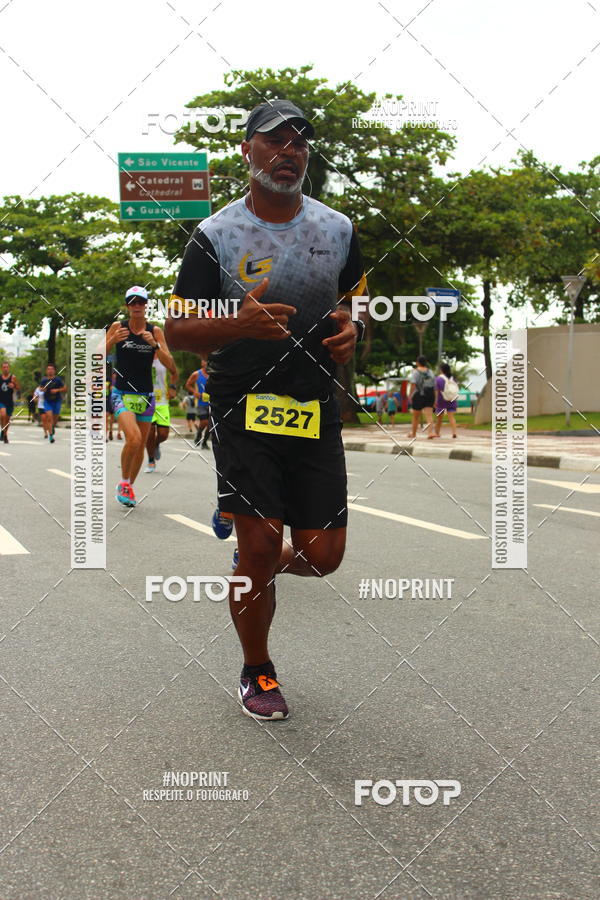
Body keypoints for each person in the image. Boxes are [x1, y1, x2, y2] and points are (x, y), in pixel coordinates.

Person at [166, 99, 368, 721]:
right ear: (247, 150)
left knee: (323, 556)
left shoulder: (337, 229)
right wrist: (237, 322)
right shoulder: (216, 236)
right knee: (259, 545)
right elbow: (176, 330)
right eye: (275, 141)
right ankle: (258, 670)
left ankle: (257, 561)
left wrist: (352, 330)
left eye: (300, 143)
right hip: (241, 404)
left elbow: (356, 300)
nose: (289, 152)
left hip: (312, 404)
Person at [106, 285, 173, 507]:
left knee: (141, 444)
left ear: (146, 305)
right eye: (132, 302)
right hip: (121, 393)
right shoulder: (118, 327)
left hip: (146, 395)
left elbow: (170, 365)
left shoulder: (155, 331)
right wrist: (112, 341)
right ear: (127, 306)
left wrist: (155, 346)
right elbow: (96, 355)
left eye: (141, 302)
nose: (137, 306)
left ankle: (129, 486)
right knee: (133, 439)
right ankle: (124, 482)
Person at [145, 354, 178, 472]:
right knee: (149, 432)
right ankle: (150, 460)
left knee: (163, 435)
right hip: (146, 400)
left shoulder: (166, 357)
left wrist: (173, 387)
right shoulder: (142, 355)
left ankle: (156, 444)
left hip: (162, 401)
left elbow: (174, 373)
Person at [407, 356, 435, 439]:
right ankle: (430, 433)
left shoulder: (415, 372)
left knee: (415, 416)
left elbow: (413, 384)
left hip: (418, 394)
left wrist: (410, 395)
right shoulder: (430, 372)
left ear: (417, 362)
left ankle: (414, 434)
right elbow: (434, 385)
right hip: (429, 394)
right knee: (429, 415)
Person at [185, 360, 210, 447]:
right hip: (200, 403)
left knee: (210, 425)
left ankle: (205, 442)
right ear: (202, 363)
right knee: (204, 422)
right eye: (204, 361)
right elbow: (187, 384)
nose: (206, 363)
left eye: (208, 361)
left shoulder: (213, 374)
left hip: (211, 403)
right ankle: (198, 434)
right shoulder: (196, 374)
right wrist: (195, 392)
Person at [40, 364, 67, 443]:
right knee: (49, 417)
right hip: (47, 401)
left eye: (52, 369)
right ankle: (51, 436)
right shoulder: (44, 380)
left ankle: (52, 426)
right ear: (46, 371)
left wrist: (57, 390)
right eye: (48, 369)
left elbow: (65, 388)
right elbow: (40, 388)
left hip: (57, 401)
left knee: (55, 419)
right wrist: (43, 389)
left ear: (54, 371)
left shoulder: (58, 380)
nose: (50, 370)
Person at [433, 362, 459, 439]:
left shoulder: (438, 379)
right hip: (452, 399)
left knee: (439, 418)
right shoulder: (452, 378)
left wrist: (435, 400)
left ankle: (437, 433)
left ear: (441, 370)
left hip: (441, 400)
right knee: (451, 417)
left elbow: (436, 391)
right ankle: (454, 432)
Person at [0, 361, 20, 443]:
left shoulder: (13, 377)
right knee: (2, 415)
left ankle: (5, 434)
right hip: (1, 400)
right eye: (4, 367)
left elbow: (18, 387)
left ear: (9, 368)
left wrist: (14, 385)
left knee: (7, 419)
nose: (5, 369)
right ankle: (3, 430)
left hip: (9, 401)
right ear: (1, 368)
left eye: (7, 367)